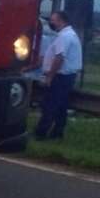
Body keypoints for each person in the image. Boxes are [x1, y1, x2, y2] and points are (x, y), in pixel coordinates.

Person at [34, 9, 83, 140]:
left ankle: (41, 133)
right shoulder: (69, 34)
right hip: (66, 76)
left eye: (53, 20)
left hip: (60, 76)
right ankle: (57, 133)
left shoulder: (64, 37)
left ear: (61, 21)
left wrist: (50, 76)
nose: (51, 22)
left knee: (50, 104)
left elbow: (59, 58)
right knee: (60, 106)